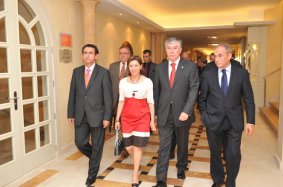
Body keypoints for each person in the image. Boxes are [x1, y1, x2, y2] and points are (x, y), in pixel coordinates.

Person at [198, 44, 255, 187]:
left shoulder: (241, 74)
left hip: (233, 121)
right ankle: (218, 180)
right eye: (215, 56)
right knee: (215, 153)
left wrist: (250, 121)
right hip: (213, 121)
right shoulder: (208, 73)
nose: (216, 59)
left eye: (220, 55)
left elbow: (249, 99)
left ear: (229, 56)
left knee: (233, 153)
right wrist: (205, 116)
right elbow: (202, 98)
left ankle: (231, 181)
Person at [153, 37, 199, 187]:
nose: (172, 51)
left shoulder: (190, 66)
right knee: (164, 146)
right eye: (169, 48)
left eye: (175, 48)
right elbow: (156, 92)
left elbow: (193, 90)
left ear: (180, 50)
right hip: (164, 113)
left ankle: (181, 167)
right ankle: (161, 180)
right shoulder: (160, 68)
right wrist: (154, 113)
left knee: (182, 143)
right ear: (166, 50)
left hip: (183, 114)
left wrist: (187, 110)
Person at [67, 44, 112, 187]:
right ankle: (95, 158)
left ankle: (92, 175)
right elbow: (72, 94)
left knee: (98, 145)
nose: (87, 55)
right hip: (80, 114)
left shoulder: (103, 73)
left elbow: (108, 97)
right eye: (85, 52)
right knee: (80, 142)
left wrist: (107, 117)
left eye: (90, 53)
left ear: (96, 56)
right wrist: (70, 113)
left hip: (98, 115)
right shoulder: (76, 72)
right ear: (82, 55)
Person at [115, 55, 156, 187]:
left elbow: (151, 102)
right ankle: (137, 163)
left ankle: (135, 173)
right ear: (128, 67)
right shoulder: (123, 82)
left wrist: (152, 120)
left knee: (138, 147)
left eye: (136, 65)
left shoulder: (147, 81)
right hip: (127, 117)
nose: (133, 68)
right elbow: (121, 101)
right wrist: (117, 119)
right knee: (128, 147)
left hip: (142, 116)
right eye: (131, 65)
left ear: (141, 66)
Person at [109, 41, 133, 157]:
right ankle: (121, 144)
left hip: (128, 102)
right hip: (115, 100)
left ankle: (125, 147)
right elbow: (109, 84)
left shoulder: (133, 66)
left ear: (130, 54)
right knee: (118, 124)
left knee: (126, 124)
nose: (123, 55)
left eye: (125, 53)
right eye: (120, 53)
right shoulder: (112, 66)